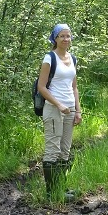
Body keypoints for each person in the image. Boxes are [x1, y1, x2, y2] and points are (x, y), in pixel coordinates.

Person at [36, 23, 82, 200]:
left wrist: (78, 111)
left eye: (68, 36)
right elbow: (42, 87)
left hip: (70, 110)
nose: (66, 39)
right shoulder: (49, 58)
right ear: (55, 39)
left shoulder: (73, 59)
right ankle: (51, 193)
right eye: (62, 36)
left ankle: (61, 188)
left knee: (65, 150)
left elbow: (74, 87)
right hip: (54, 110)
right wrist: (59, 104)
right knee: (52, 150)